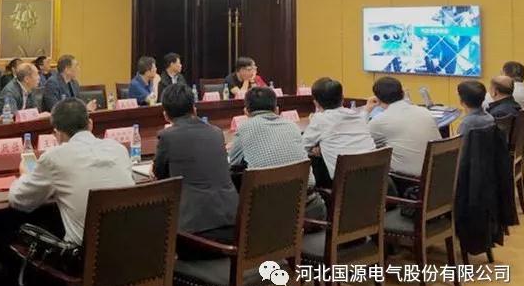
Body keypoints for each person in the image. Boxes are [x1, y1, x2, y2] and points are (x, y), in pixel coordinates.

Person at [9, 98, 133, 244]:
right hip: (132, 247)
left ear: (57, 134)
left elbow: (19, 200)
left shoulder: (54, 157)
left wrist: (25, 174)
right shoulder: (118, 149)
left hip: (85, 254)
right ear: (90, 124)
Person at [153, 84, 238, 243]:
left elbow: (159, 175)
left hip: (195, 233)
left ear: (166, 115)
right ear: (194, 109)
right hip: (233, 223)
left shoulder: (167, 137)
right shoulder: (216, 132)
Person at [229, 87, 326, 220]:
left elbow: (233, 163)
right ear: (277, 110)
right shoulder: (292, 126)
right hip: (311, 208)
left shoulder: (244, 128)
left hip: (270, 214)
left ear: (246, 112)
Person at [301, 77, 375, 182]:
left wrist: (315, 149)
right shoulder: (356, 115)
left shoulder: (320, 119)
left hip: (346, 185)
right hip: (376, 180)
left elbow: (301, 147)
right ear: (342, 98)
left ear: (316, 103)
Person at [367, 76, 441, 177]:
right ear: (402, 93)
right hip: (437, 175)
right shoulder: (424, 111)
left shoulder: (380, 121)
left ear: (378, 99)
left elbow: (362, 142)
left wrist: (367, 111)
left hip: (407, 180)